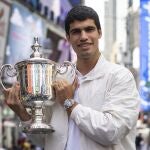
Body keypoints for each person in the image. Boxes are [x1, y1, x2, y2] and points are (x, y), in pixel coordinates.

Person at [3, 5, 140, 150]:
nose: (83, 37)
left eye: (89, 29)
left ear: (99, 33)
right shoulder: (56, 78)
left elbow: (113, 131)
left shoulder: (120, 77)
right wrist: (22, 113)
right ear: (68, 38)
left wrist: (70, 104)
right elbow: (44, 139)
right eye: (76, 32)